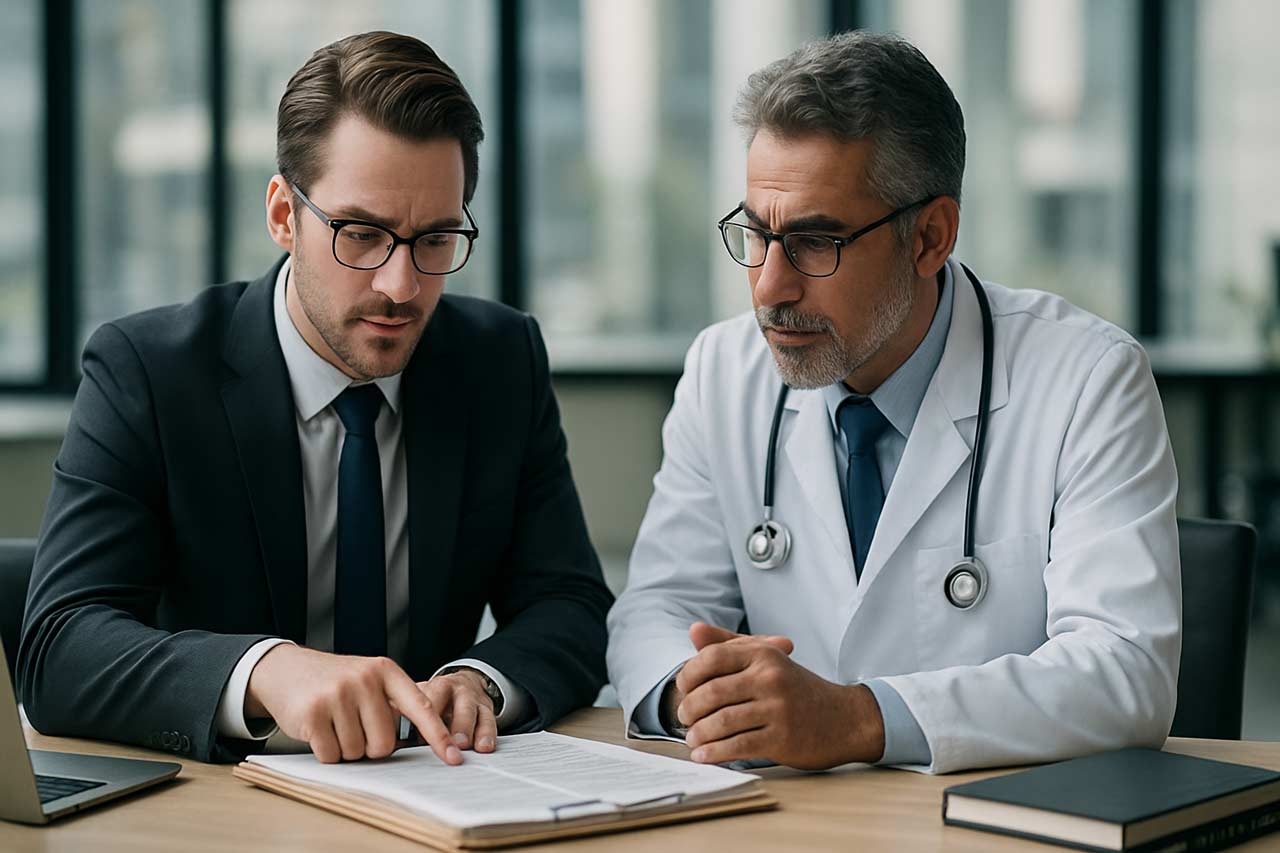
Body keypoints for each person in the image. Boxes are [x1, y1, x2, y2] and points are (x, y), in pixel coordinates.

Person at [19, 31, 612, 766]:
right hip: (224, 798)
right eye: (361, 234)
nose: (401, 286)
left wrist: (480, 681)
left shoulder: (499, 361)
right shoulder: (148, 372)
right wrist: (264, 670)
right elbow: (60, 645)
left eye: (435, 240)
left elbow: (571, 604)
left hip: (430, 789)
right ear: (282, 214)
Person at [606, 31, 1181, 774]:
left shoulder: (1088, 379)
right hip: (786, 812)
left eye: (816, 242)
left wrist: (858, 717)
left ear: (930, 237)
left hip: (983, 816)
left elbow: (1125, 670)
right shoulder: (723, 371)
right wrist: (702, 697)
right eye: (756, 233)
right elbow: (655, 609)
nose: (769, 286)